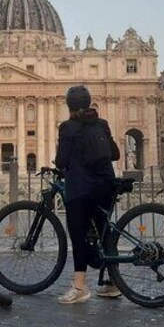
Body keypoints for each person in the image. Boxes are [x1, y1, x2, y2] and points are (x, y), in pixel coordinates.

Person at [54, 85, 121, 304]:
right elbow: (115, 153)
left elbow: (62, 161)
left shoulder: (67, 127)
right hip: (106, 186)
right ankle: (113, 282)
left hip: (81, 189)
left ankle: (80, 287)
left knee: (78, 235)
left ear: (69, 105)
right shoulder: (102, 124)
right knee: (104, 231)